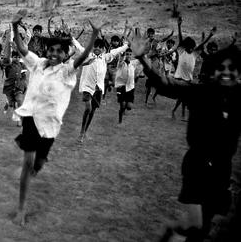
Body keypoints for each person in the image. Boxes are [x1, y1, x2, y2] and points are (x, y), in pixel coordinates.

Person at [130, 28, 241, 242]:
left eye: (232, 68)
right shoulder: (200, 92)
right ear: (214, 72)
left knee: (204, 227)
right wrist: (142, 58)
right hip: (197, 166)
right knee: (198, 228)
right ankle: (175, 234)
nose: (226, 72)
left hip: (221, 170)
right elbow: (166, 83)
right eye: (221, 68)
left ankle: (173, 233)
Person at [10, 9, 98, 226]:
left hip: (51, 127)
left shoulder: (67, 71)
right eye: (51, 50)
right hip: (31, 119)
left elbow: (83, 57)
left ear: (64, 54)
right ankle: (21, 210)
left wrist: (94, 35)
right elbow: (21, 48)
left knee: (37, 166)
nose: (53, 54)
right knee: (27, 164)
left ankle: (32, 171)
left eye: (59, 51)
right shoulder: (37, 64)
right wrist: (14, 26)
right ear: (46, 50)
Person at [77, 31, 129, 144]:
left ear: (103, 49)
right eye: (96, 46)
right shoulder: (88, 55)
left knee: (92, 111)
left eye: (100, 47)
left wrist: (127, 45)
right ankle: (81, 132)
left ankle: (84, 132)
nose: (97, 49)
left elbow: (116, 51)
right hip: (87, 87)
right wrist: (71, 38)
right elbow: (79, 47)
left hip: (98, 89)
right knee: (88, 108)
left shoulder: (105, 58)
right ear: (93, 47)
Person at [114, 48, 141, 123]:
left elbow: (142, 59)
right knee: (122, 105)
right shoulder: (121, 63)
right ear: (125, 55)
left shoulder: (133, 63)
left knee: (129, 107)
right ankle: (120, 120)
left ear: (131, 55)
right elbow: (120, 60)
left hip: (130, 87)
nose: (128, 56)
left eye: (130, 54)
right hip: (121, 86)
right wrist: (122, 56)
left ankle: (124, 109)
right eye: (127, 54)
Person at [3, 50, 27, 126]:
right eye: (15, 57)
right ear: (12, 57)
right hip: (9, 87)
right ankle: (8, 103)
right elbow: (7, 75)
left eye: (18, 57)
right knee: (12, 104)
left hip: (19, 87)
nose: (16, 58)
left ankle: (19, 120)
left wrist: (21, 84)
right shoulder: (8, 65)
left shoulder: (22, 65)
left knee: (19, 101)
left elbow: (24, 77)